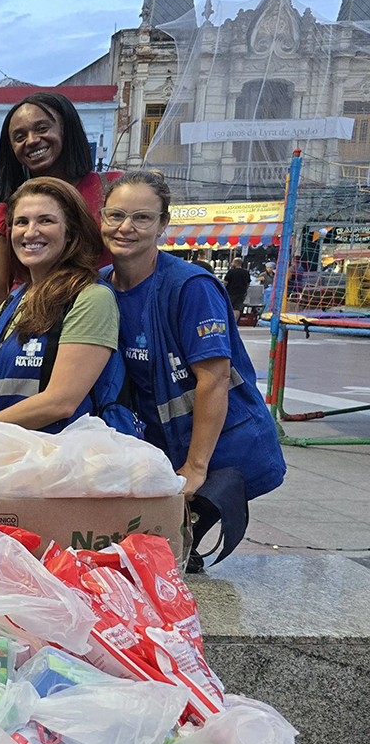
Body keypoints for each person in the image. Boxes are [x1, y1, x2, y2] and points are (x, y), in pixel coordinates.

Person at [102, 170, 284, 500]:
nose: (125, 227)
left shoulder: (190, 287)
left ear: (162, 224)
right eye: (115, 215)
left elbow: (214, 379)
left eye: (142, 217)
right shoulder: (100, 288)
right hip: (161, 451)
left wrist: (196, 467)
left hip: (219, 453)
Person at [0, 177, 126, 433]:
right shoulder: (13, 300)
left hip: (56, 461)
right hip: (0, 454)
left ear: (71, 232)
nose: (30, 232)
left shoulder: (91, 298)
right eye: (21, 222)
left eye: (46, 220)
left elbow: (61, 402)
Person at [0, 92, 120, 338]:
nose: (32, 140)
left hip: (100, 326)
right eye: (19, 136)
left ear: (66, 128)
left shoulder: (111, 190)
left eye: (42, 128)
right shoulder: (6, 211)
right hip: (29, 332)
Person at [224, 257, 251, 321]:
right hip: (241, 292)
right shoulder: (246, 272)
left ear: (235, 263)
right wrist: (245, 289)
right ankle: (235, 321)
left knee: (230, 307)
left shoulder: (231, 272)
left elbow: (225, 283)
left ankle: (229, 321)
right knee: (237, 308)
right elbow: (248, 283)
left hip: (231, 292)